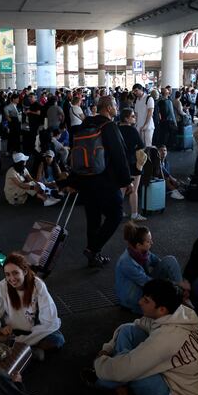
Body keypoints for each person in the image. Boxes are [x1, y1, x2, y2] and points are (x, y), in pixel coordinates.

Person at [83, 279, 198, 395]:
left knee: (132, 368)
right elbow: (132, 327)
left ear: (161, 309)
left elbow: (129, 367)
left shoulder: (167, 337)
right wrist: (107, 349)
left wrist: (100, 361)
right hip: (174, 377)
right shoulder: (176, 312)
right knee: (128, 332)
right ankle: (115, 383)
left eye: (146, 300)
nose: (140, 301)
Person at [69, 96, 132, 268]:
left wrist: (74, 180)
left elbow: (74, 152)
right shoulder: (109, 126)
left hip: (85, 180)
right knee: (116, 215)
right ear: (108, 107)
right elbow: (120, 156)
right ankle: (93, 248)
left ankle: (94, 256)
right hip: (105, 181)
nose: (117, 108)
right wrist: (126, 181)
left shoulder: (85, 124)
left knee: (93, 218)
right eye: (115, 105)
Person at [0, 253, 64, 361]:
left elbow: (49, 321)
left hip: (36, 330)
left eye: (15, 273)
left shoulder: (38, 285)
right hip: (12, 331)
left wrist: (19, 340)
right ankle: (28, 351)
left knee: (57, 340)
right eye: (7, 274)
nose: (12, 278)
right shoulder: (2, 286)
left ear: (25, 272)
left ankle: (15, 348)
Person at [115, 222, 190, 314]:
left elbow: (160, 263)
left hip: (144, 286)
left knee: (170, 260)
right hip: (134, 298)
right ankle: (179, 296)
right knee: (167, 308)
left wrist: (177, 283)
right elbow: (149, 283)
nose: (152, 242)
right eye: (148, 241)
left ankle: (180, 295)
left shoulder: (143, 252)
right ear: (139, 245)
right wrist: (173, 285)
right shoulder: (126, 263)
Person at [117, 108, 145, 220]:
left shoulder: (116, 129)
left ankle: (119, 213)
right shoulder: (132, 130)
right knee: (134, 190)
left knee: (122, 189)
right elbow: (141, 145)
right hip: (133, 162)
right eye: (133, 116)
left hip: (120, 163)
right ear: (126, 118)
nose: (135, 118)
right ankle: (134, 214)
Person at [132, 83, 156, 147]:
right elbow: (136, 113)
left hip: (148, 127)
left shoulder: (149, 98)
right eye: (134, 91)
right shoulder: (137, 100)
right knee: (141, 146)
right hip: (139, 126)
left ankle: (149, 157)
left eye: (136, 90)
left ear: (141, 89)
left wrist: (145, 125)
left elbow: (150, 112)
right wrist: (135, 124)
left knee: (148, 146)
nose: (135, 93)